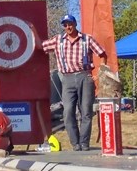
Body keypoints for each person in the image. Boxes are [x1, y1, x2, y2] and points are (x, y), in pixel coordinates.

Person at [41, 14, 107, 151]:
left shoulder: (86, 39)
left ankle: (84, 143)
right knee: (68, 111)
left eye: (69, 24)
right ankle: (75, 143)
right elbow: (40, 46)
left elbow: (102, 54)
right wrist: (32, 33)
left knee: (86, 111)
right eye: (65, 25)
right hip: (67, 78)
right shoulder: (58, 40)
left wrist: (100, 74)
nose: (67, 27)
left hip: (85, 76)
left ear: (75, 24)